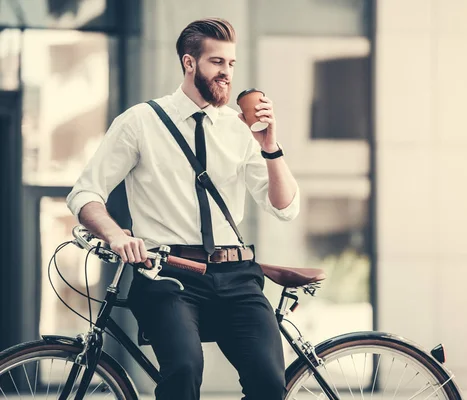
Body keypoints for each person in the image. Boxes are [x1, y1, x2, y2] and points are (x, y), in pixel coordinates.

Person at [66, 17, 299, 400]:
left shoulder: (240, 129)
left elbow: (285, 207)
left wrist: (270, 146)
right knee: (183, 371)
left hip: (237, 274)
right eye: (216, 62)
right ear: (189, 63)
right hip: (167, 275)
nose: (226, 73)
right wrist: (114, 234)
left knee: (270, 384)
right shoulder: (140, 122)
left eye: (231, 64)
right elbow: (85, 193)